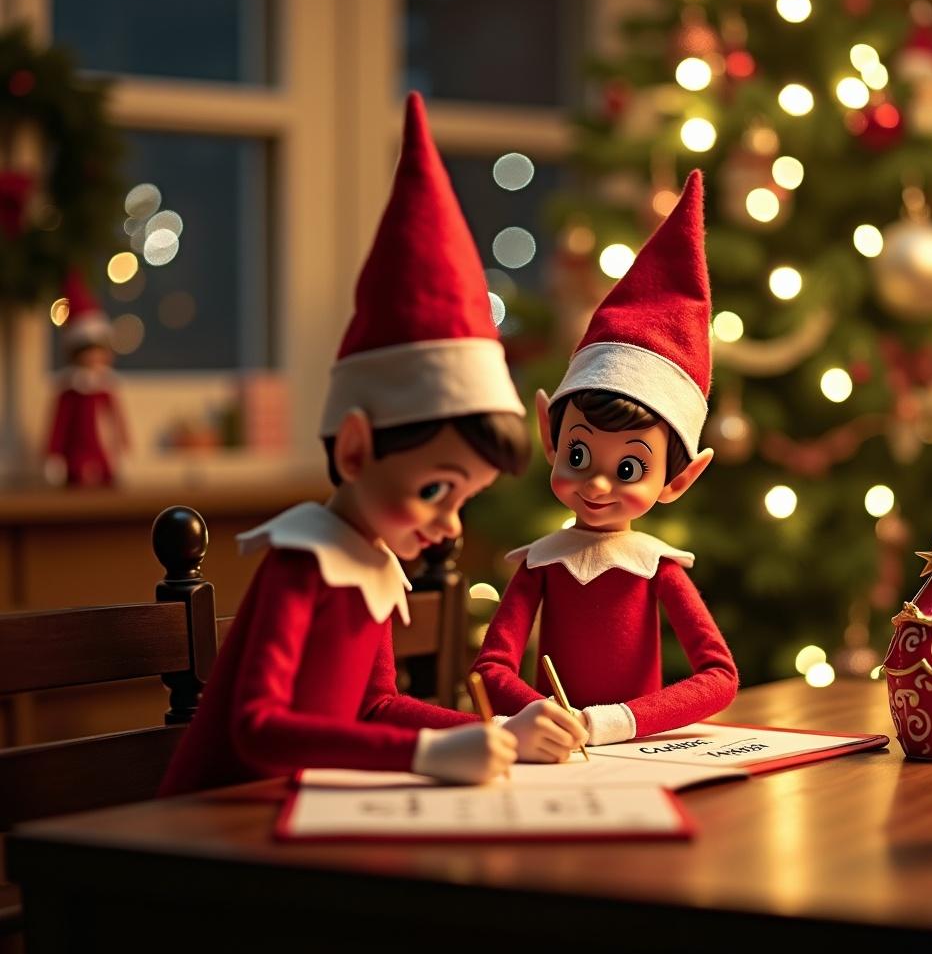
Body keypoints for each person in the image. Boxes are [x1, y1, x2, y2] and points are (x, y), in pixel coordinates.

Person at [160, 93, 584, 796]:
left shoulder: (372, 561)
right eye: (435, 491)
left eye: (464, 501)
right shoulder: (305, 562)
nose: (449, 526)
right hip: (221, 825)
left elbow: (375, 705)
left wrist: (494, 733)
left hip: (308, 818)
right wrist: (422, 758)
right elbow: (257, 727)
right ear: (356, 450)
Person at [473, 171, 738, 747]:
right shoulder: (541, 564)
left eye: (628, 468)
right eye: (577, 453)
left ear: (679, 479)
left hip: (643, 758)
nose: (596, 483)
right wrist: (539, 714)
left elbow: (719, 678)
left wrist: (618, 722)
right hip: (554, 755)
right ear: (549, 435)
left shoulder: (656, 566)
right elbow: (491, 668)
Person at [45, 271, 129, 486]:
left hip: (104, 458)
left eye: (98, 350)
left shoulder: (106, 388)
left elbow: (115, 419)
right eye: (88, 350)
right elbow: (60, 424)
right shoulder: (70, 390)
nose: (94, 357)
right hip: (75, 458)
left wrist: (122, 445)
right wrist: (54, 455)